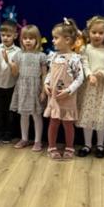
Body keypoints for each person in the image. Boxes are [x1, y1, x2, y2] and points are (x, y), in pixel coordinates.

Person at [77, 16, 104, 160]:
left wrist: (103, 73)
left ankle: (100, 145)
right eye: (94, 32)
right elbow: (84, 64)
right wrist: (90, 75)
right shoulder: (85, 49)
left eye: (100, 33)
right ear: (88, 32)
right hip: (89, 86)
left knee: (101, 116)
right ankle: (87, 145)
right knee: (88, 116)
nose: (97, 35)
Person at [44, 19, 85, 160]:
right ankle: (51, 147)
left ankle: (69, 147)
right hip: (54, 97)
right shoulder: (53, 56)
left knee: (68, 124)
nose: (53, 41)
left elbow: (80, 78)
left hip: (68, 98)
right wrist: (46, 84)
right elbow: (50, 73)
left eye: (56, 38)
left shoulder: (75, 58)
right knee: (53, 123)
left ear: (67, 40)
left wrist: (69, 90)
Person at [9, 24, 47, 151]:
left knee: (36, 115)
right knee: (24, 115)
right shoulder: (18, 55)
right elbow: (15, 73)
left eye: (31, 38)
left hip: (35, 88)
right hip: (22, 88)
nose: (28, 41)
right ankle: (24, 138)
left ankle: (37, 141)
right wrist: (10, 64)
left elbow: (44, 75)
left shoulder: (41, 56)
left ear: (37, 39)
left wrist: (43, 91)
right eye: (25, 38)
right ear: (21, 39)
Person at [0, 20, 19, 144]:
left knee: (10, 111)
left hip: (10, 85)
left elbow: (15, 70)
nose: (5, 38)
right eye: (3, 35)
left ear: (15, 36)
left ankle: (8, 133)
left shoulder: (18, 51)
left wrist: (8, 61)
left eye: (8, 35)